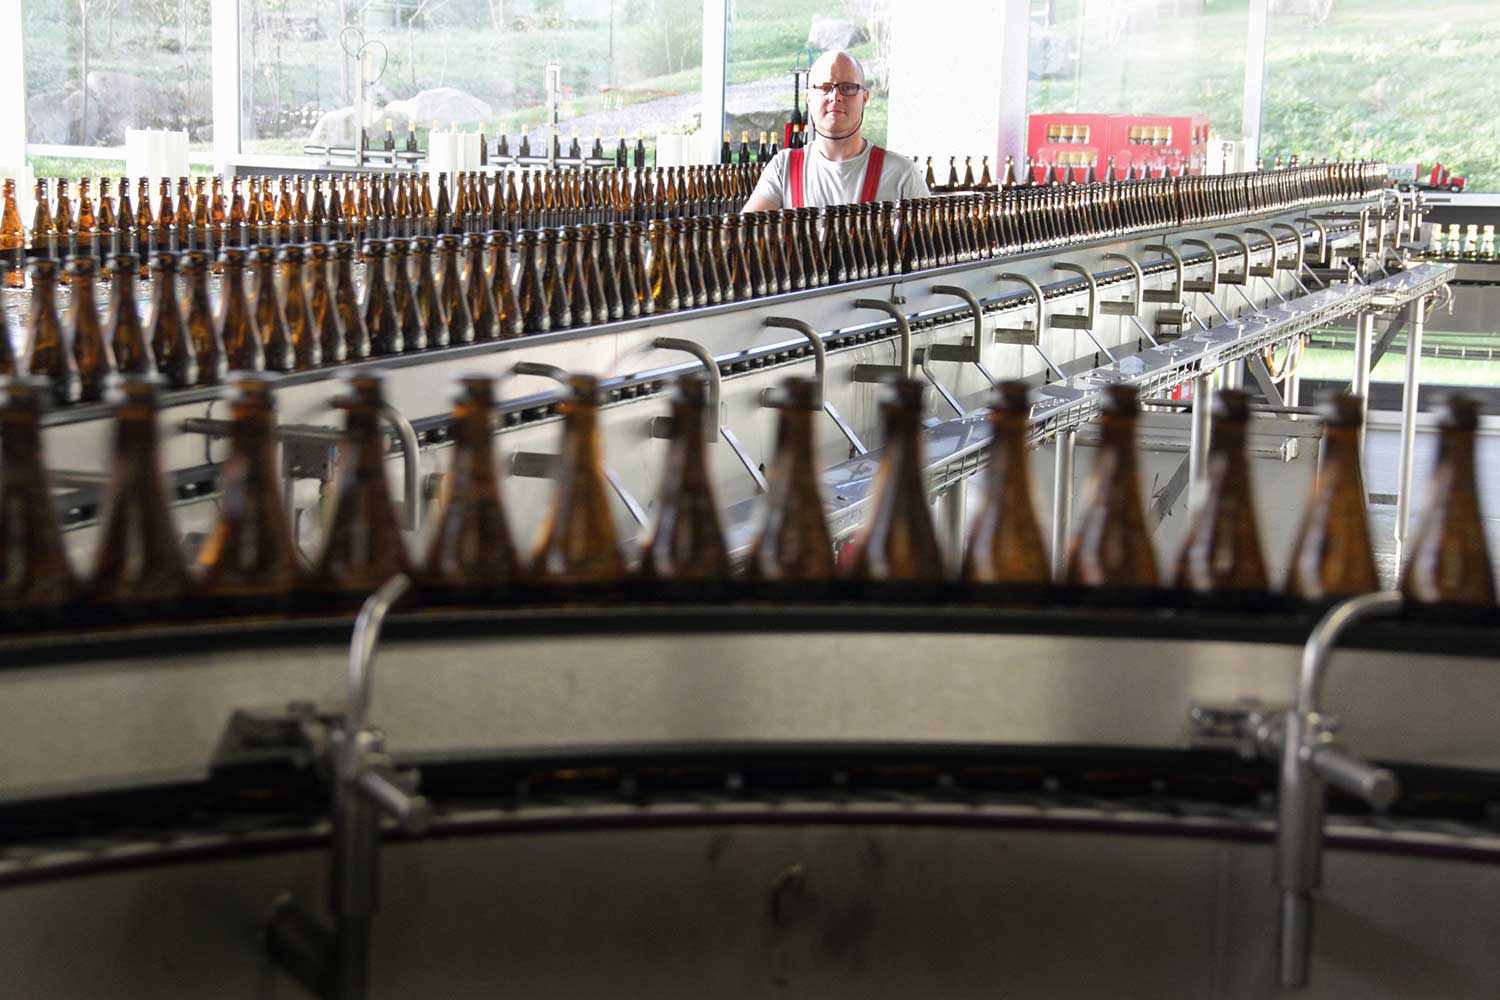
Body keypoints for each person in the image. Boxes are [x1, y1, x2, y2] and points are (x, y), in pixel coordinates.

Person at [742, 50, 928, 212]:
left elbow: (929, 250)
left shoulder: (902, 174)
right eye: (825, 88)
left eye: (847, 88)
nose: (835, 96)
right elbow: (743, 238)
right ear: (808, 98)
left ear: (865, 97)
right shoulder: (784, 167)